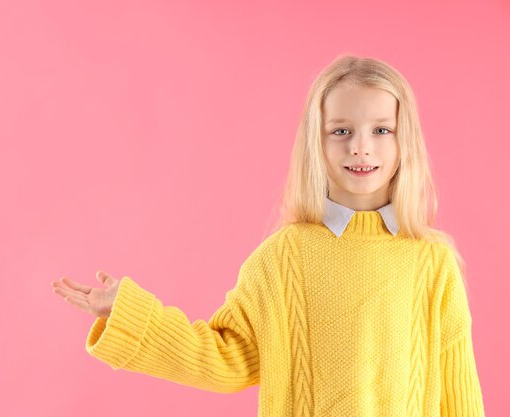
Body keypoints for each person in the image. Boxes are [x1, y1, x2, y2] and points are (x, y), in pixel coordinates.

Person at [50, 54, 486, 417]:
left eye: (380, 130)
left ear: (403, 142)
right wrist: (129, 314)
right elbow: (225, 358)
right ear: (316, 144)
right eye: (341, 131)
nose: (360, 146)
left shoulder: (433, 264)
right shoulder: (283, 258)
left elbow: (460, 397)